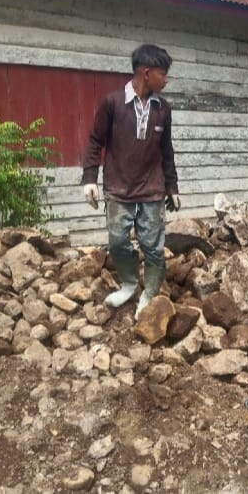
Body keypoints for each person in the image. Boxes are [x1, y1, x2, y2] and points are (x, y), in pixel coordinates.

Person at [81, 44, 180, 318]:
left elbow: (166, 151)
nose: (167, 79)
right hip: (118, 187)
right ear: (146, 73)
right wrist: (90, 177)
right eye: (163, 73)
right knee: (117, 241)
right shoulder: (113, 103)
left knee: (153, 245)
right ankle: (128, 283)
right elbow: (95, 140)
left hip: (152, 188)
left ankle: (149, 291)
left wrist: (172, 187)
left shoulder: (163, 109)